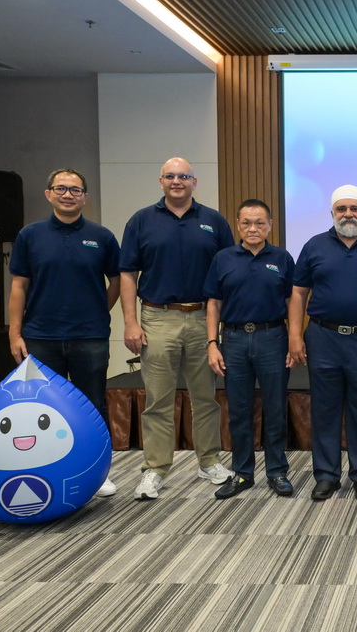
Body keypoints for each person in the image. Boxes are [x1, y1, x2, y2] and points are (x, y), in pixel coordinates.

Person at [120, 157, 235, 500]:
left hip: (203, 319)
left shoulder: (214, 221)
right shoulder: (141, 220)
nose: (176, 181)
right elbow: (128, 273)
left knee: (206, 398)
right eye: (170, 176)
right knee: (158, 399)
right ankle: (155, 469)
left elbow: (229, 271)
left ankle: (209, 461)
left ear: (194, 182)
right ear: (161, 181)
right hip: (157, 318)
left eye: (183, 176)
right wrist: (130, 322)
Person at [8, 168, 120, 497]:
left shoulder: (102, 237)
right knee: (41, 409)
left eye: (75, 190)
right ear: (49, 194)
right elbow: (19, 286)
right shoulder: (30, 235)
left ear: (85, 197)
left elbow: (117, 281)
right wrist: (15, 333)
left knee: (93, 406)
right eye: (61, 188)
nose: (68, 195)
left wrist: (99, 310)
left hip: (90, 337)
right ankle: (45, 471)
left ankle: (98, 473)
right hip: (40, 337)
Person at [287, 185, 357, 501]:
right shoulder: (314, 245)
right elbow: (298, 293)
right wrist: (295, 335)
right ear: (332, 213)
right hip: (323, 337)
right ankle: (326, 475)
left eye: (354, 208)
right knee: (325, 408)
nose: (348, 214)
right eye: (342, 209)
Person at [205, 199, 295, 499]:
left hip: (273, 337)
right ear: (238, 225)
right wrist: (212, 344)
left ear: (270, 225)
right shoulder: (223, 258)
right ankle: (243, 473)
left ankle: (277, 471)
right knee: (239, 410)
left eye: (259, 223)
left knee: (275, 408)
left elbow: (293, 302)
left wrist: (294, 339)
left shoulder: (282, 258)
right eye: (246, 223)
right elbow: (214, 303)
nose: (253, 228)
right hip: (233, 340)